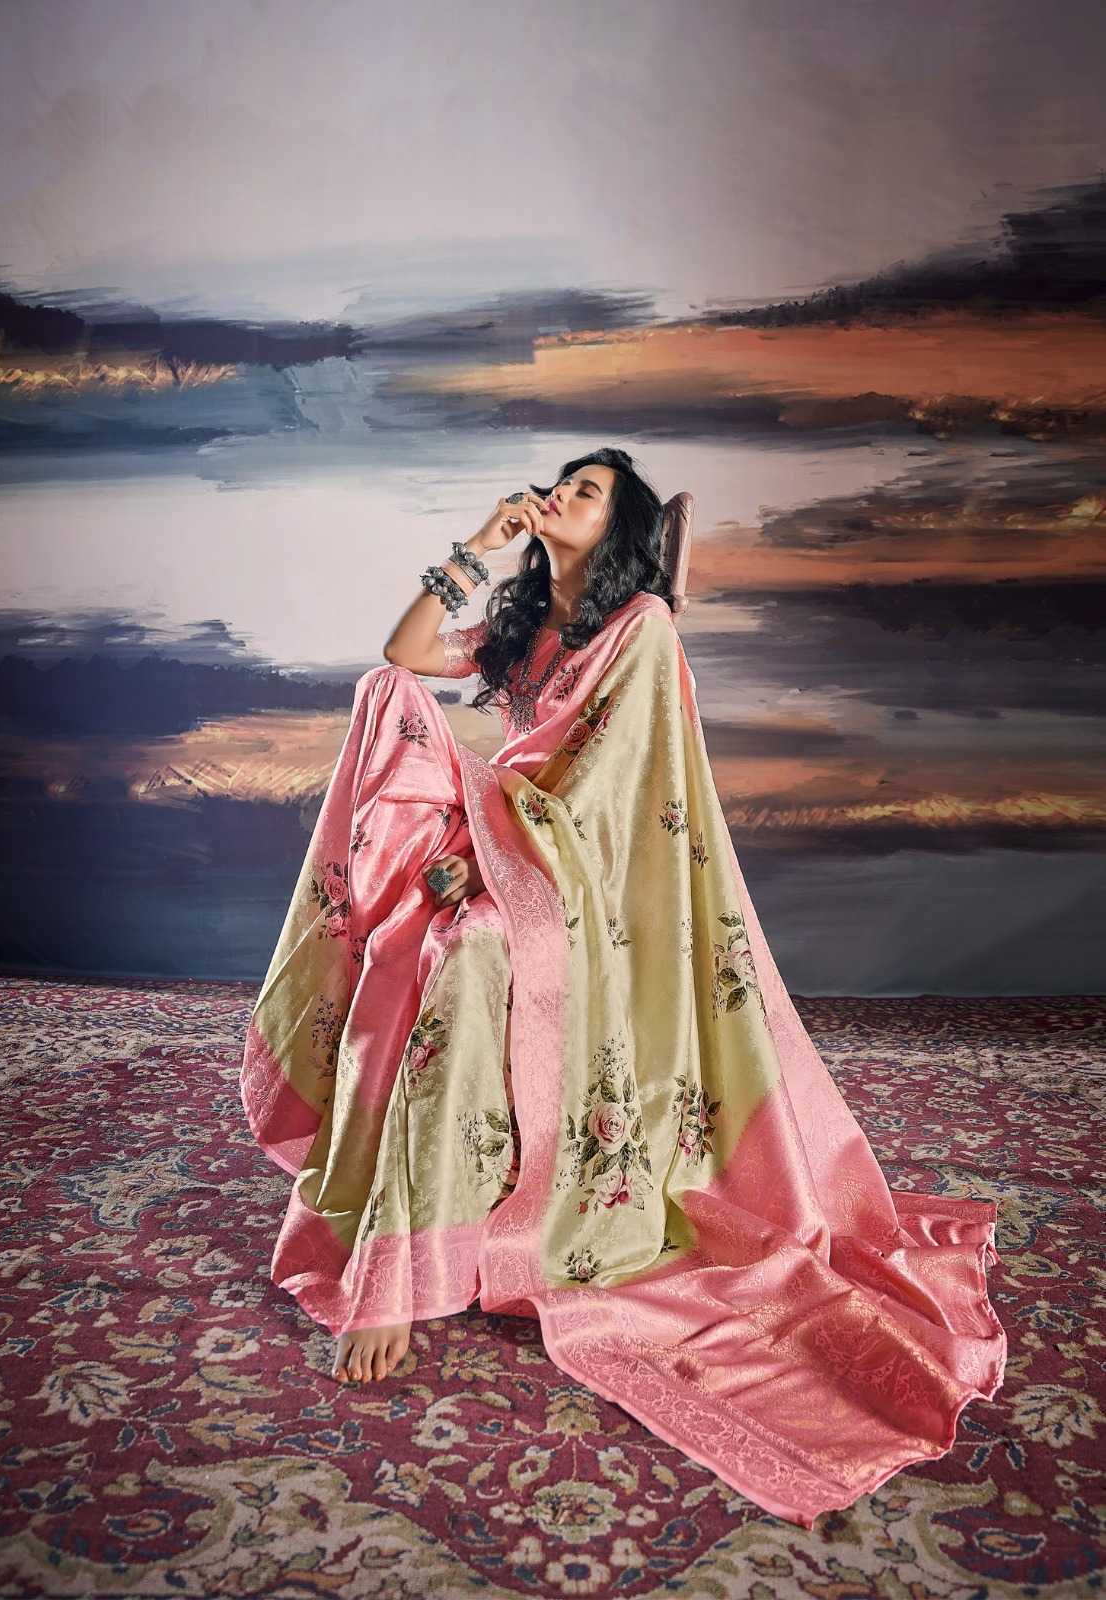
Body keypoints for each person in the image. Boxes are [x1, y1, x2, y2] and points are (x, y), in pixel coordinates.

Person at [240, 446, 1007, 1529]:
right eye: (562, 480)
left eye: (587, 491)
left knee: (469, 957)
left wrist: (497, 868)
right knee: (386, 708)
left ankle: (407, 1268)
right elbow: (404, 653)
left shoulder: (639, 626)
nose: (562, 492)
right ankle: (414, 1203)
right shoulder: (520, 628)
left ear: (618, 527)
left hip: (577, 886)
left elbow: (611, 797)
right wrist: (482, 543)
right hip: (498, 845)